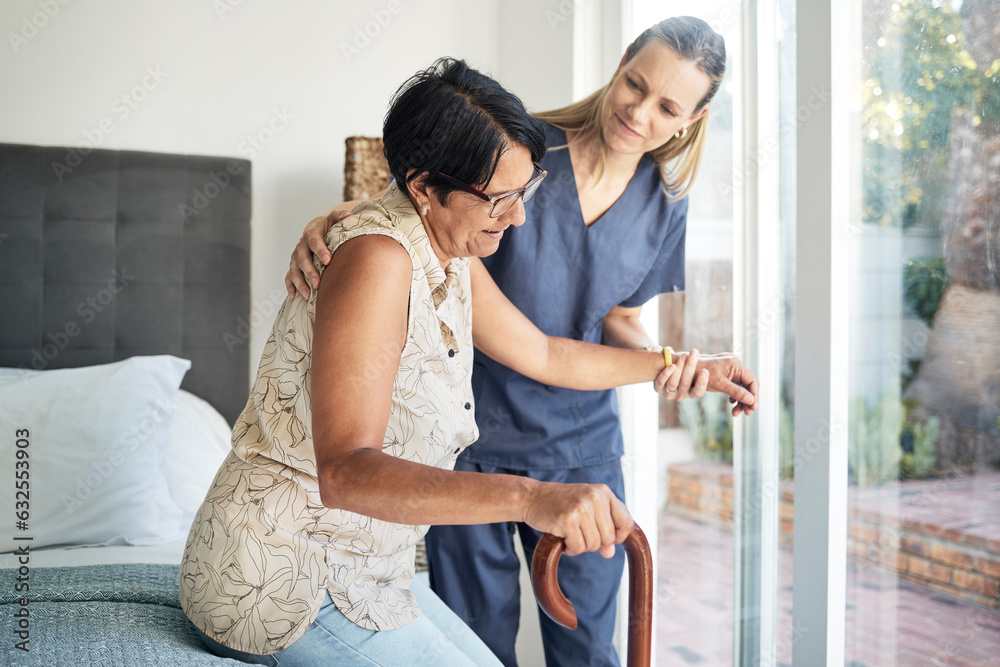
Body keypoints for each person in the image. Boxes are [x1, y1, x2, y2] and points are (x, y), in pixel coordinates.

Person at [180, 56, 738, 667]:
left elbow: (544, 353)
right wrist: (531, 498)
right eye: (500, 199)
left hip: (366, 579)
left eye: (524, 192)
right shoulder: (378, 261)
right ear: (423, 186)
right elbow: (345, 472)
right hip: (280, 581)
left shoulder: (450, 252)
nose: (519, 216)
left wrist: (681, 365)